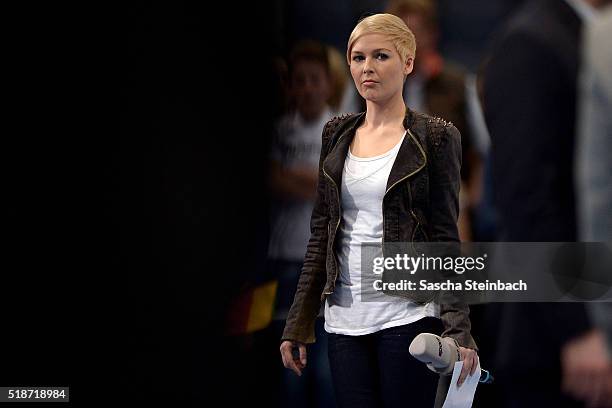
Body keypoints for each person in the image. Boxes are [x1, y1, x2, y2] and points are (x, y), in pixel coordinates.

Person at [279, 14, 478, 408]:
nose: (367, 67)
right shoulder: (335, 133)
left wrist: (458, 329)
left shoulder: (436, 136)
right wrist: (298, 322)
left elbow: (444, 237)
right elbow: (322, 231)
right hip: (343, 319)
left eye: (381, 56)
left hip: (407, 314)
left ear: (408, 61)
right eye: (357, 57)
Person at [482, 0, 611, 406]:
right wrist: (576, 330)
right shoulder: (532, 41)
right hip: (555, 342)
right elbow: (526, 200)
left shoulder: (589, 34)